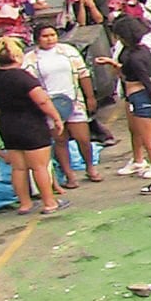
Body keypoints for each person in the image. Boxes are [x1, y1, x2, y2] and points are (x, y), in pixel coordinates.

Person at [97, 16, 151, 196]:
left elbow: (145, 81)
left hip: (142, 99)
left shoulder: (134, 58)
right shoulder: (146, 52)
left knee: (150, 143)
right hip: (149, 98)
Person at [0, 37, 67, 215]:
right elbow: (42, 101)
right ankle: (49, 202)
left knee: (18, 167)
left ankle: (25, 204)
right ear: (16, 56)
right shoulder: (23, 77)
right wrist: (56, 118)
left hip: (8, 124)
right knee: (40, 166)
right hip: (31, 125)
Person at [23, 25, 102, 186]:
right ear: (38, 39)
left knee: (83, 138)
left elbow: (83, 74)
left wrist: (90, 97)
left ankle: (90, 168)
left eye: (52, 35)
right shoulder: (31, 59)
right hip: (50, 104)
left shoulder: (68, 52)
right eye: (45, 36)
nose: (50, 39)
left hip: (74, 100)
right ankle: (69, 175)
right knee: (60, 140)